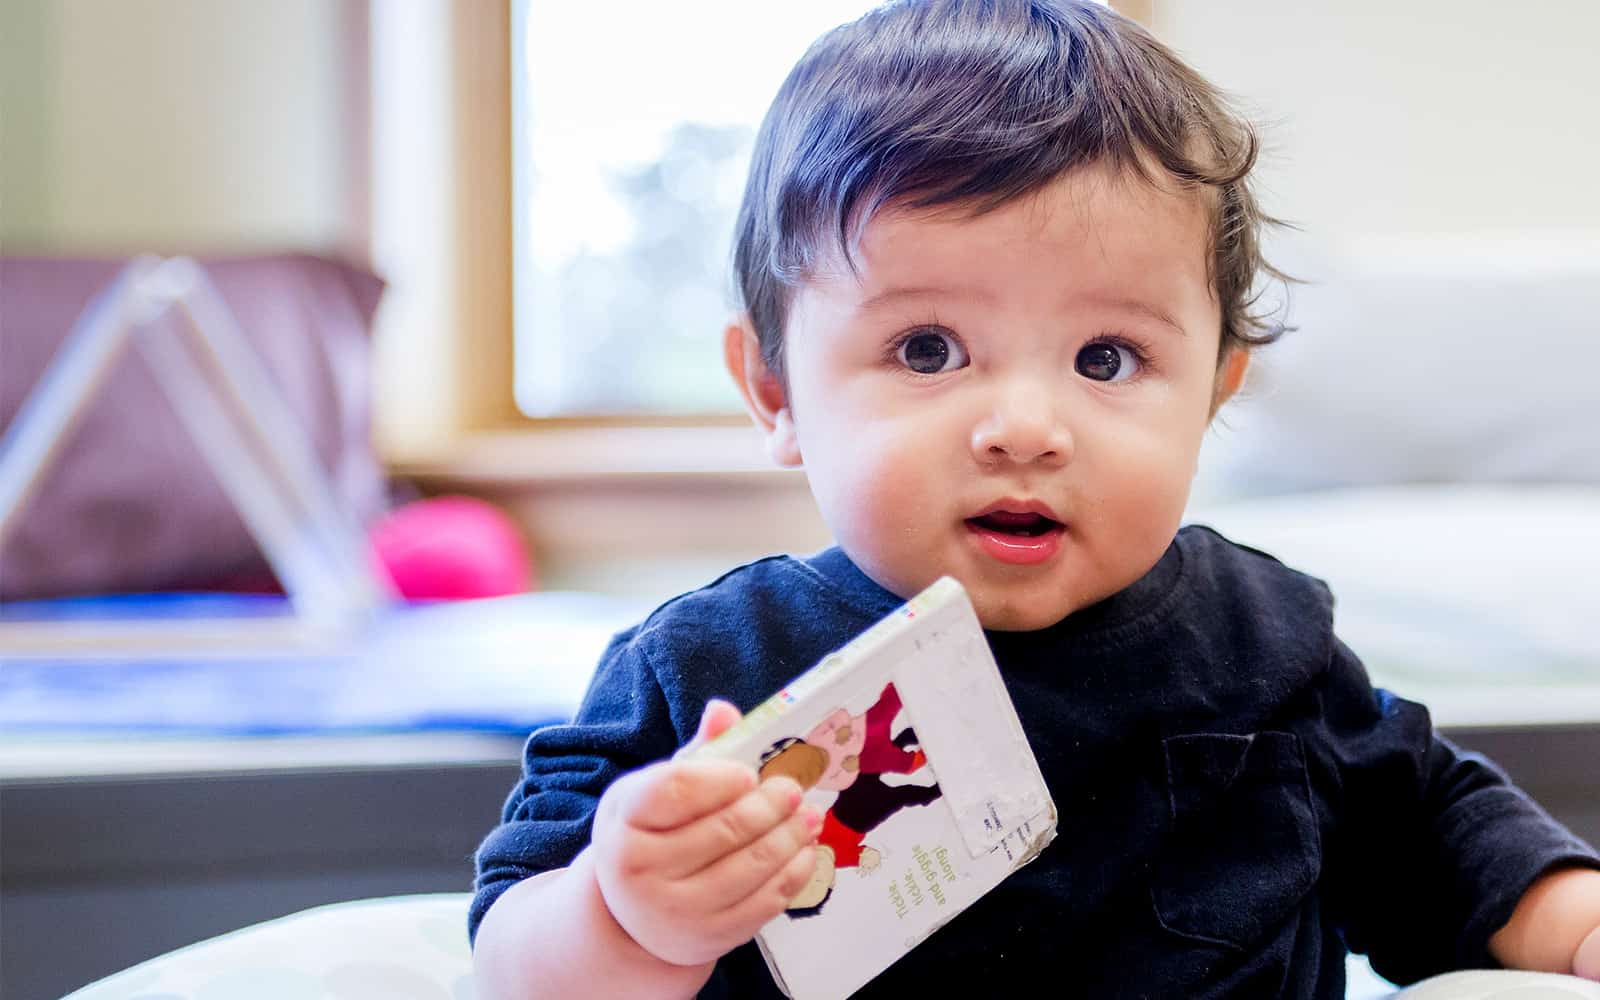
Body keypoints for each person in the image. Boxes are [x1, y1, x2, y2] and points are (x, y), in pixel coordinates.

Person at [469, 2, 1600, 996]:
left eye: (1105, 358)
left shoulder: (1268, 642)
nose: (1023, 425)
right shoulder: (703, 668)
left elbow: (1437, 841)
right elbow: (512, 962)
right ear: (775, 390)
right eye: (926, 348)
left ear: (1212, 391)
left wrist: (1576, 923)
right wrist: (625, 914)